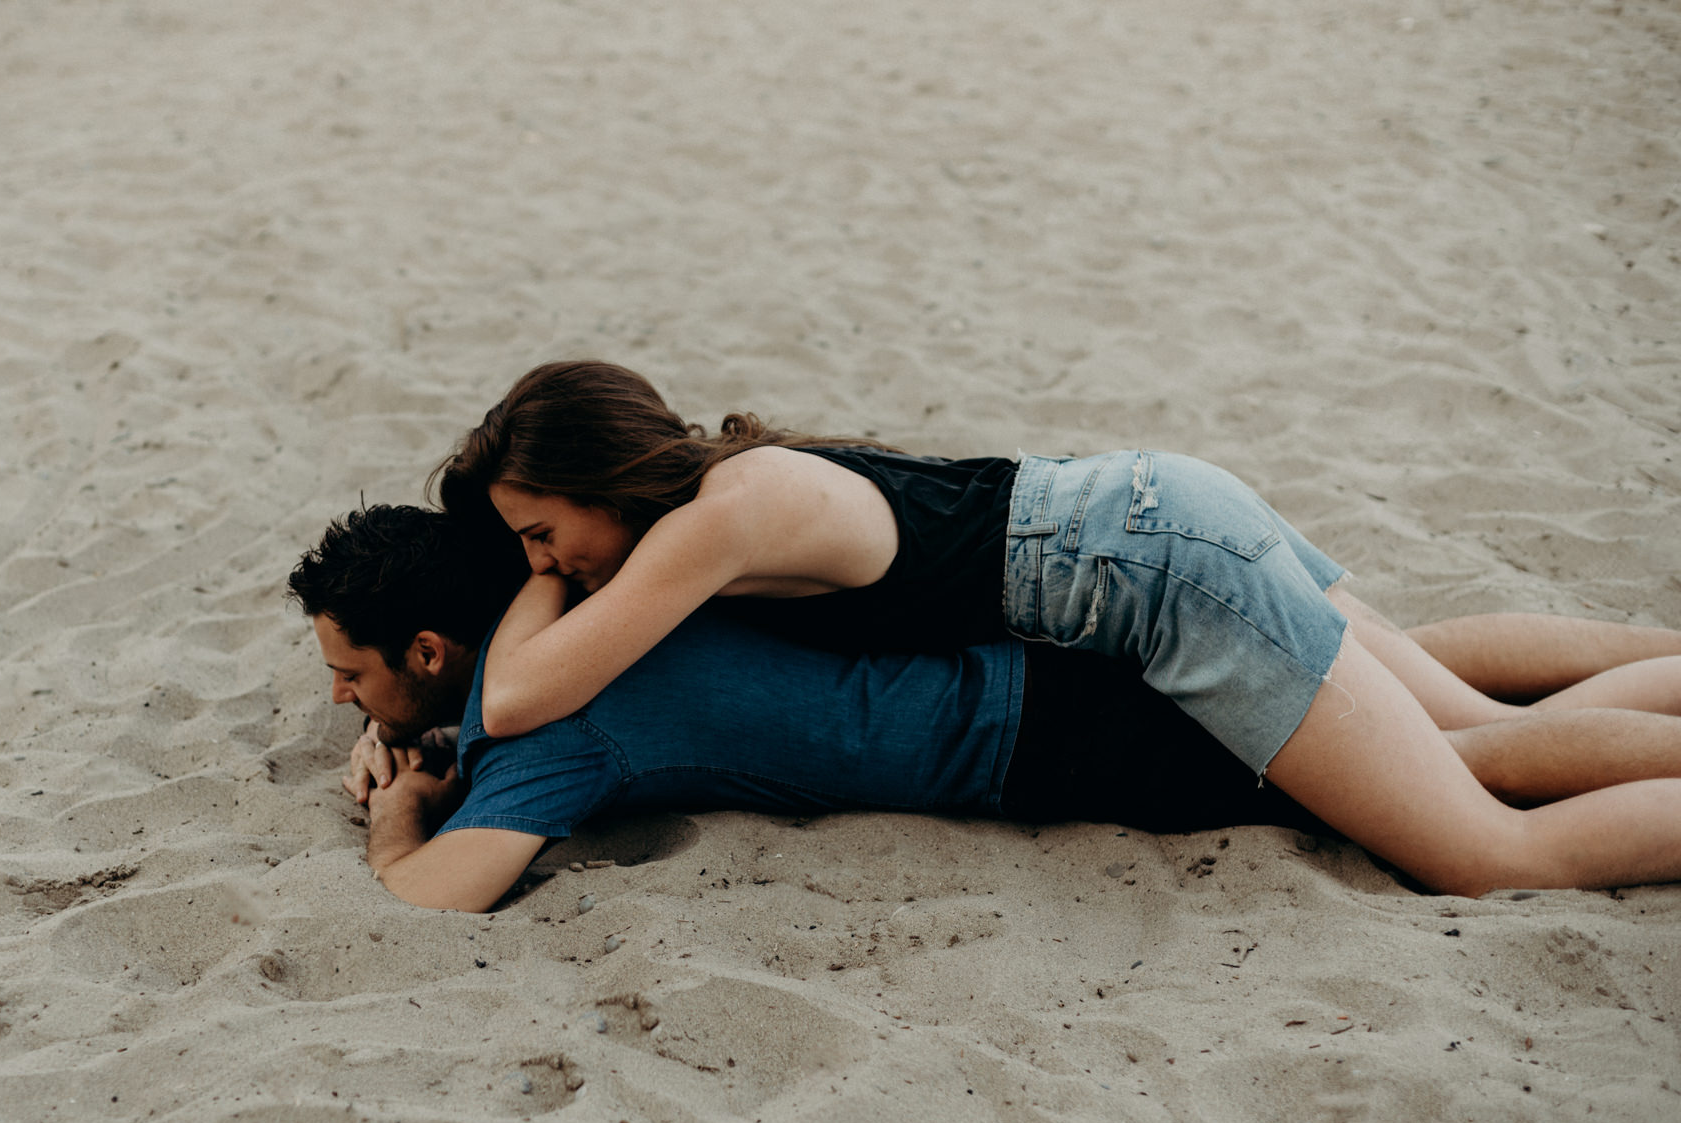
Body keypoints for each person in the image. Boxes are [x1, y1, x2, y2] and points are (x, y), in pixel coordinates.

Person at [433, 361, 1681, 899]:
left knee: (1486, 845)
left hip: (1153, 574)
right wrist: (546, 556)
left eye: (542, 533)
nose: (545, 564)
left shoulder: (715, 524)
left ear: (605, 481)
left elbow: (516, 701)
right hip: (1158, 510)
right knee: (1470, 712)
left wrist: (532, 592)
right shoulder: (736, 486)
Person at [289, 506, 1681, 912]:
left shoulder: (546, 732)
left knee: (1464, 763)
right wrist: (420, 729)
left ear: (428, 644)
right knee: (1408, 663)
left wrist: (408, 816)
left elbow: (441, 893)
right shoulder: (609, 583)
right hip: (1075, 609)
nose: (339, 699)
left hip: (1049, 729)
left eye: (351, 673)